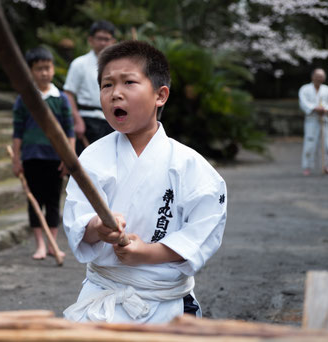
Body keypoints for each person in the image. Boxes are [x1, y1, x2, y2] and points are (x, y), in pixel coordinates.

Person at [62, 41, 227, 323]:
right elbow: (78, 218)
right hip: (103, 297)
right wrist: (97, 228)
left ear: (160, 95)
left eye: (129, 82)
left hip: (166, 301)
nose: (116, 94)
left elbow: (203, 230)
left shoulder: (190, 166)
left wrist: (149, 253)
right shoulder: (92, 158)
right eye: (107, 85)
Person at [12, 46, 75, 260]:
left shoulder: (61, 98)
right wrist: (15, 159)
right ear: (31, 71)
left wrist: (69, 158)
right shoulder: (24, 99)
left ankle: (52, 243)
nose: (44, 73)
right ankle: (39, 244)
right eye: (39, 69)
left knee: (53, 202)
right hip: (31, 158)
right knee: (34, 202)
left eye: (47, 68)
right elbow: (17, 131)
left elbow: (69, 131)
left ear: (53, 69)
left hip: (56, 160)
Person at [63, 20, 116, 155]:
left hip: (113, 120)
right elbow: (68, 94)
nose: (103, 43)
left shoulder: (119, 66)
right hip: (87, 121)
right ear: (91, 40)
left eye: (107, 39)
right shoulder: (79, 64)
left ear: (113, 41)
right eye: (99, 38)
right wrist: (77, 120)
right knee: (88, 163)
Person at [299, 68, 328, 176]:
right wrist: (314, 108)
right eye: (317, 75)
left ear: (324, 77)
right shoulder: (305, 89)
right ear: (312, 77)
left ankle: (326, 166)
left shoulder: (327, 89)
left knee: (326, 144)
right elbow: (303, 103)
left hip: (324, 120)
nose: (319, 78)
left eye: (321, 76)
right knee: (309, 144)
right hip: (311, 120)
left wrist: (326, 109)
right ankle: (307, 166)